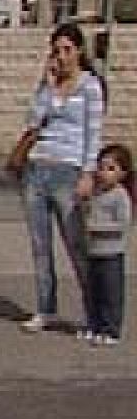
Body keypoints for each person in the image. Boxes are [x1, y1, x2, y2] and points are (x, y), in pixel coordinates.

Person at [16, 22, 105, 334]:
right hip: (38, 167)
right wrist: (46, 84)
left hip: (68, 170)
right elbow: (33, 122)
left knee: (76, 245)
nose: (62, 57)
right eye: (56, 51)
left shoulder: (90, 87)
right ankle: (46, 307)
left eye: (67, 50)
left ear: (79, 51)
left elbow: (93, 134)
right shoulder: (49, 86)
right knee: (41, 246)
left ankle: (94, 312)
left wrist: (87, 174)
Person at [83, 143, 132, 347]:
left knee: (111, 294)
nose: (104, 173)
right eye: (102, 167)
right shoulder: (96, 192)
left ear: (123, 173)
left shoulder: (120, 196)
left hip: (112, 253)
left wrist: (96, 227)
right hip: (93, 251)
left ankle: (111, 330)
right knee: (93, 292)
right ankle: (93, 326)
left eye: (111, 168)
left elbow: (123, 224)